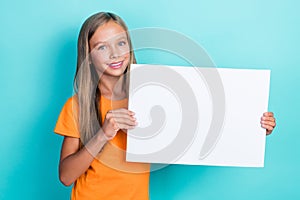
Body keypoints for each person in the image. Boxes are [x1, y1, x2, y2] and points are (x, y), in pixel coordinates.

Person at [54, 12, 276, 200]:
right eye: (102, 47)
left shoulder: (151, 96)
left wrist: (252, 129)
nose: (115, 54)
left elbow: (200, 128)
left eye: (121, 43)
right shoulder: (77, 107)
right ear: (88, 56)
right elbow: (65, 177)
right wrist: (104, 134)